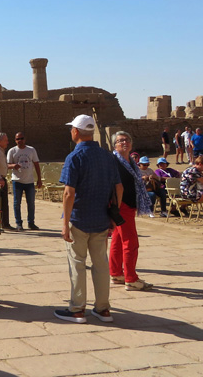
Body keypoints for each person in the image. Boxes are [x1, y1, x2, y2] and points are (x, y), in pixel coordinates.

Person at [55, 115, 121, 324]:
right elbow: (118, 187)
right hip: (101, 217)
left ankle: (77, 308)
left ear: (75, 132)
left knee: (77, 264)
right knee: (101, 264)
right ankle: (103, 309)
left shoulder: (74, 157)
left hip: (79, 219)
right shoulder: (107, 156)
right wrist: (114, 213)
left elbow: (68, 193)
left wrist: (64, 223)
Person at [110, 132, 154, 291]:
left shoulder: (129, 161)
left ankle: (116, 273)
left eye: (127, 140)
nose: (124, 142)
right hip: (122, 205)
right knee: (131, 242)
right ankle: (131, 278)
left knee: (117, 239)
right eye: (120, 140)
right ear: (114, 144)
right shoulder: (113, 160)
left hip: (126, 204)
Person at [6, 132, 43, 231]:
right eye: (18, 139)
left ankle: (31, 223)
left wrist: (39, 179)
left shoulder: (31, 150)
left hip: (29, 181)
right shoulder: (12, 151)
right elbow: (7, 165)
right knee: (16, 203)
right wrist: (13, 166)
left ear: (25, 139)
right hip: (17, 181)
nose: (20, 141)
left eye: (21, 138)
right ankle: (19, 223)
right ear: (15, 140)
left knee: (31, 203)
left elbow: (36, 164)